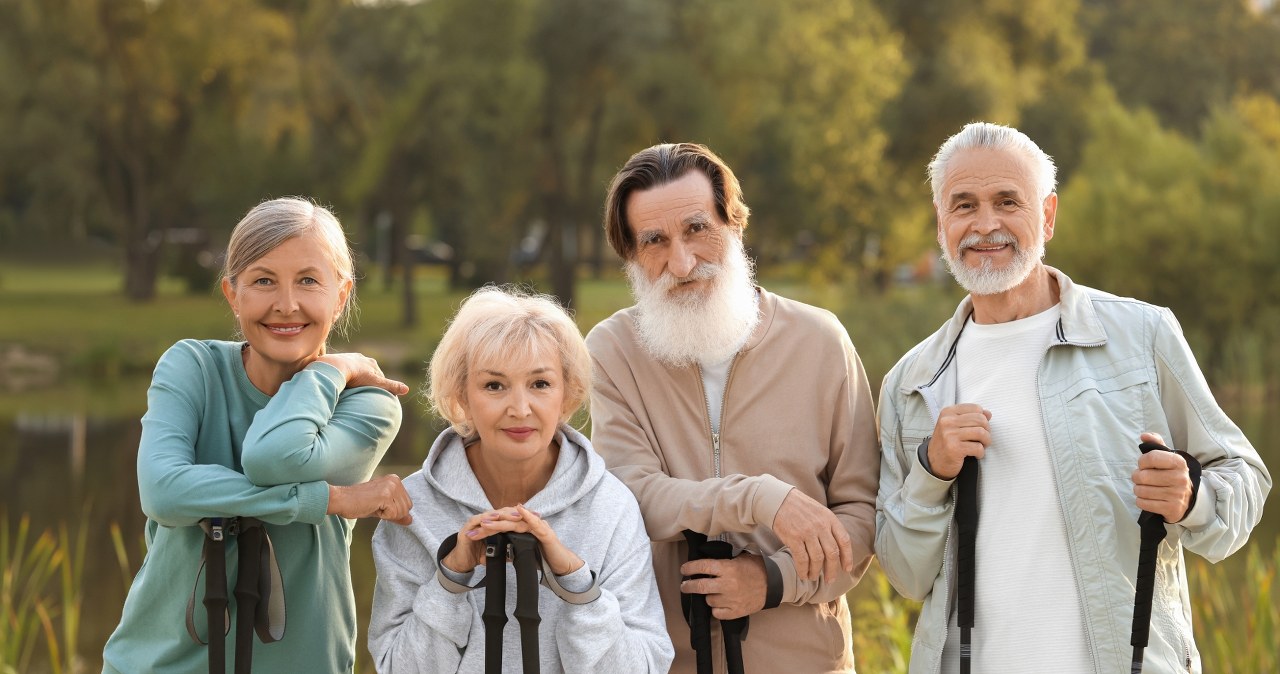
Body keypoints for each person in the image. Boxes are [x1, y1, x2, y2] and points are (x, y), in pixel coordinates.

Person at [875, 122, 1272, 673]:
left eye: (1007, 201)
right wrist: (931, 471)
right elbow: (905, 574)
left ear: (1049, 216)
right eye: (963, 205)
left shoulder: (1142, 335)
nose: (985, 224)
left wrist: (1192, 498)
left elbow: (1246, 477)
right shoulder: (910, 383)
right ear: (941, 223)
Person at [586, 142, 880, 673]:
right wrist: (760, 499)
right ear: (632, 256)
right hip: (665, 662)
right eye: (655, 241)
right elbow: (632, 496)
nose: (681, 261)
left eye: (697, 229)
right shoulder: (611, 351)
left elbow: (862, 518)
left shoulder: (821, 340)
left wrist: (771, 580)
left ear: (735, 223)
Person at [103, 197, 415, 673]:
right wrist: (327, 499)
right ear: (233, 293)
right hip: (159, 663)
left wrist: (329, 370)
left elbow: (274, 458)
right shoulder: (191, 367)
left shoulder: (368, 403)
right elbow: (163, 492)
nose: (286, 304)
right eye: (263, 280)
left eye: (309, 281)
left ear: (341, 293)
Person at [367, 287, 673, 673]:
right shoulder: (411, 508)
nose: (520, 408)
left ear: (568, 393)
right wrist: (452, 579)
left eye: (540, 384)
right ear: (461, 393)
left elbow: (645, 668)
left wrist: (577, 585)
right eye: (494, 385)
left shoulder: (611, 507)